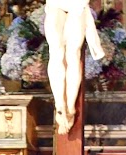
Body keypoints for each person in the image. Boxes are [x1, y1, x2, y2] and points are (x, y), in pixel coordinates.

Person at [43, 0, 105, 134]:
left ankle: (68, 106)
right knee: (60, 53)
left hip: (76, 5)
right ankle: (62, 105)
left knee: (68, 54)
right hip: (58, 5)